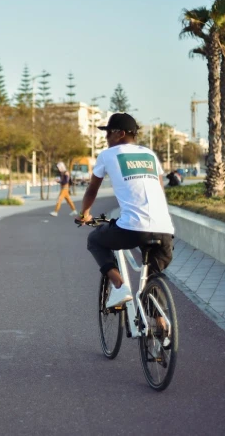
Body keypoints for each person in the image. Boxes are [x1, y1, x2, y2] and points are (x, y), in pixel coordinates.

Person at [75, 112, 174, 308]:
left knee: (94, 240)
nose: (106, 137)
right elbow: (159, 190)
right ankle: (161, 325)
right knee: (152, 280)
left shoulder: (108, 155)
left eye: (108, 133)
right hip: (165, 231)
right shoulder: (149, 155)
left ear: (120, 134)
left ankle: (119, 286)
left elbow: (92, 190)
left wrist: (84, 214)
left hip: (133, 228)